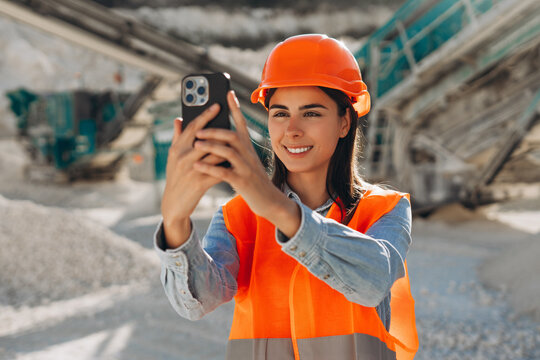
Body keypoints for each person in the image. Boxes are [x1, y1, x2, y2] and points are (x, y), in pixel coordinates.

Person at [154, 34, 418, 360]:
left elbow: (373, 283)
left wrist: (277, 207)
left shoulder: (385, 209)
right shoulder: (240, 216)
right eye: (280, 114)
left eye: (311, 113)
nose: (291, 130)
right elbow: (198, 302)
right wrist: (175, 223)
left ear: (345, 122)